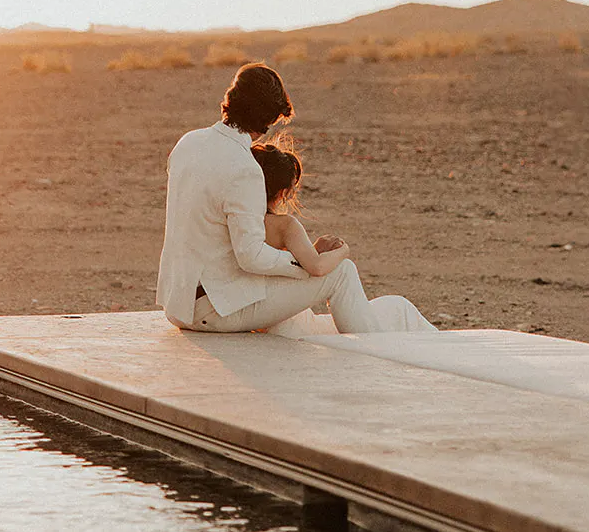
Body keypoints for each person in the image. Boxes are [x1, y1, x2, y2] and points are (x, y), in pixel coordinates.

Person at [157, 63, 386, 334]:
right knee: (341, 272)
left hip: (177, 305)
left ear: (230, 100)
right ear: (269, 120)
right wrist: (307, 262)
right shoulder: (245, 168)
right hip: (214, 312)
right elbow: (250, 257)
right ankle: (374, 356)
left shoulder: (187, 143)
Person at [250, 141, 436, 337]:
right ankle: (381, 345)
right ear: (282, 193)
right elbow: (317, 268)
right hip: (290, 323)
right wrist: (343, 251)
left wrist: (312, 250)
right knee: (347, 271)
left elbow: (275, 267)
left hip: (272, 314)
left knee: (398, 307)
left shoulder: (238, 224)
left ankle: (438, 349)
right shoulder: (284, 225)